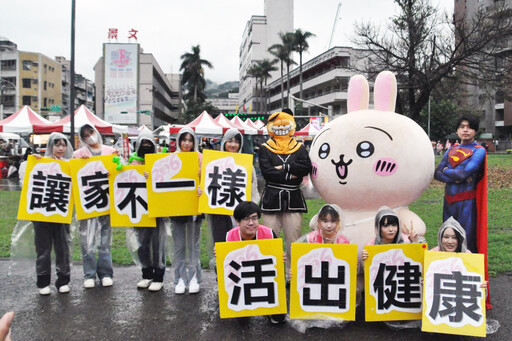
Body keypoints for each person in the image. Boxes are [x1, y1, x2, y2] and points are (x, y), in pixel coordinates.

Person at [433, 115, 489, 309]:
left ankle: (468, 288)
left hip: (467, 202)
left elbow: (465, 173)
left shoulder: (479, 151)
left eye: (469, 127)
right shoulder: (451, 149)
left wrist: (449, 172)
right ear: (457, 130)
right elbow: (436, 173)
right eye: (462, 127)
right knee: (447, 240)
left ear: (475, 131)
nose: (465, 130)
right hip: (449, 202)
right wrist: (453, 175)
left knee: (466, 241)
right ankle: (447, 283)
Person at [258, 108, 312, 274]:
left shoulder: (300, 148)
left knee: (293, 238)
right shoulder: (265, 148)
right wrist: (291, 172)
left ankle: (291, 273)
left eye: (285, 124)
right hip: (271, 197)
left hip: (293, 198)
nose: (281, 128)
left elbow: (306, 168)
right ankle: (270, 273)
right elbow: (267, 172)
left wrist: (283, 167)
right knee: (269, 238)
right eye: (277, 125)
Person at [223, 201, 286, 324]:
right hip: (243, 278)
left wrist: (279, 257)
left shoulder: (268, 233)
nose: (251, 223)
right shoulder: (230, 236)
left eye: (254, 218)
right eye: (246, 219)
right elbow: (228, 267)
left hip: (262, 277)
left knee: (279, 318)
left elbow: (275, 265)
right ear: (237, 221)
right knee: (241, 317)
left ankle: (268, 307)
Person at [72, 124, 118, 289]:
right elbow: (73, 174)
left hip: (106, 201)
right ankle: (89, 274)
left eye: (90, 132)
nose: (89, 137)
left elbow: (121, 171)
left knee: (105, 238)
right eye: (85, 135)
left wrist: (116, 166)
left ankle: (106, 273)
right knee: (87, 238)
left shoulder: (111, 151)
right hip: (88, 202)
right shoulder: (78, 154)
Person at [33, 132, 74, 295]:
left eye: (63, 145)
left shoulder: (68, 165)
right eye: (57, 144)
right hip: (42, 212)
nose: (60, 148)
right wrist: (34, 163)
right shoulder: (40, 162)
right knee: (43, 248)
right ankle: (43, 282)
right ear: (50, 145)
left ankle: (63, 280)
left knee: (62, 247)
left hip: (61, 212)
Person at [207, 128, 260, 246]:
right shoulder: (215, 162)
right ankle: (220, 264)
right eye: (230, 141)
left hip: (240, 210)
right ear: (224, 142)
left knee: (240, 241)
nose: (233, 145)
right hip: (220, 209)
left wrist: (251, 206)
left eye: (236, 142)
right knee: (220, 241)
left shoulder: (246, 164)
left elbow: (253, 188)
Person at [130, 130, 168, 292]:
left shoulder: (160, 161)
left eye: (149, 144)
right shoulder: (133, 162)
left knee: (158, 243)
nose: (146, 147)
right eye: (143, 144)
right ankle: (146, 274)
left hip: (158, 210)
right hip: (139, 209)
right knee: (142, 243)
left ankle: (159, 276)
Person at [171, 127, 203, 294]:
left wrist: (201, 176)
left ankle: (194, 277)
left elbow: (208, 180)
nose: (187, 143)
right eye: (184, 140)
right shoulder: (172, 158)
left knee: (194, 244)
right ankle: (180, 278)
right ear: (179, 141)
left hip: (194, 208)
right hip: (176, 208)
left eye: (190, 140)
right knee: (179, 245)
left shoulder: (200, 158)